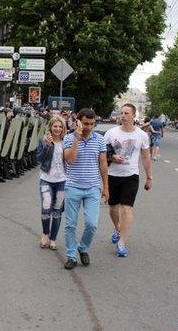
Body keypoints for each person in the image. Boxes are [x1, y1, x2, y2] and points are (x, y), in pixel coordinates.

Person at [62, 108, 109, 270]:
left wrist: (106, 187)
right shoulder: (68, 138)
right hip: (73, 187)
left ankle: (82, 247)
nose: (89, 127)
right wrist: (77, 138)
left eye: (92, 123)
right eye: (85, 123)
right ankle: (71, 255)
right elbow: (70, 160)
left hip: (92, 188)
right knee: (70, 224)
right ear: (78, 122)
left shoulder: (100, 140)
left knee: (92, 224)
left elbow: (103, 163)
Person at [104, 104, 152, 258]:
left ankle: (122, 243)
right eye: (121, 113)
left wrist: (149, 177)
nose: (123, 116)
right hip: (112, 175)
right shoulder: (111, 133)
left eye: (126, 113)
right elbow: (102, 155)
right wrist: (112, 157)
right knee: (113, 208)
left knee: (127, 209)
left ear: (133, 116)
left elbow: (145, 157)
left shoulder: (141, 135)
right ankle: (117, 228)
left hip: (131, 176)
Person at [36, 116, 67, 250]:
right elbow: (39, 159)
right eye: (55, 126)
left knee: (57, 211)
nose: (57, 129)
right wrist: (47, 146)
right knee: (46, 208)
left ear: (63, 128)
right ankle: (45, 234)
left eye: (60, 126)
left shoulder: (67, 142)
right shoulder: (44, 141)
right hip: (46, 179)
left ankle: (53, 239)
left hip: (62, 181)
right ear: (50, 127)